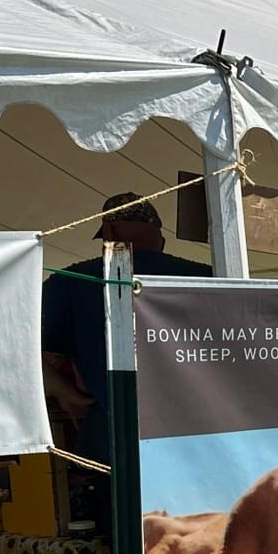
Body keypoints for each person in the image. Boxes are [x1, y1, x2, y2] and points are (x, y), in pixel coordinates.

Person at [40, 193, 212, 464]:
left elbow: (16, 344)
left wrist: (65, 392)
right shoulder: (210, 277)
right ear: (161, 239)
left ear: (109, 231)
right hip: (201, 440)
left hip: (113, 443)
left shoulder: (69, 282)